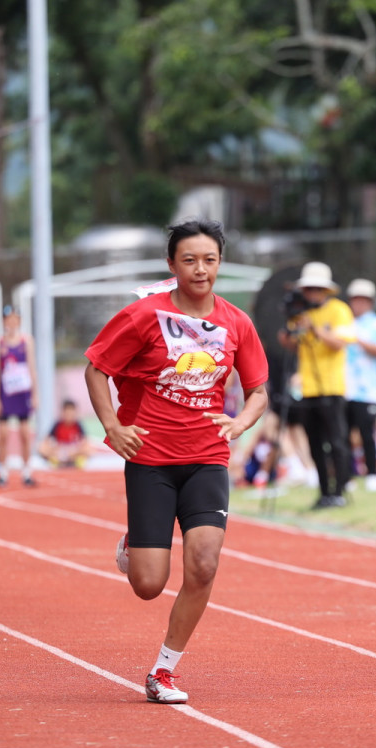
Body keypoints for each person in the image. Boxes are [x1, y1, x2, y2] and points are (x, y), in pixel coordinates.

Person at [84, 218, 268, 704]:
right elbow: (97, 368)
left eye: (209, 259)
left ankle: (164, 671)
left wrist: (241, 422)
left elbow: (258, 392)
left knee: (204, 565)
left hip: (207, 458)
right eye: (189, 260)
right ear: (172, 264)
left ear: (220, 263)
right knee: (148, 584)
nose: (200, 269)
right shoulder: (144, 316)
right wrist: (112, 427)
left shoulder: (236, 322)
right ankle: (133, 544)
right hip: (150, 458)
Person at [279, 261, 356, 509]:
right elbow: (293, 345)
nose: (311, 293)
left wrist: (315, 328)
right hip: (308, 387)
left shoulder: (339, 309)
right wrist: (288, 333)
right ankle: (324, 492)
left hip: (332, 386)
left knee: (337, 440)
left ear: (325, 290)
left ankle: (340, 490)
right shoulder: (299, 313)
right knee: (314, 442)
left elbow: (339, 343)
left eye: (316, 288)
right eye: (308, 288)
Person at [344, 279, 376, 491]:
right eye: (355, 300)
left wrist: (358, 340)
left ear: (370, 302)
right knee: (343, 435)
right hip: (344, 388)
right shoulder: (344, 322)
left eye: (363, 300)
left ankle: (372, 472)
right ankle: (347, 475)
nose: (359, 304)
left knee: (366, 433)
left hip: (368, 390)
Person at [0, 306, 38, 487]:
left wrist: (36, 394)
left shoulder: (26, 341)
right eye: (8, 320)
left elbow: (32, 368)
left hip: (23, 393)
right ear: (4, 322)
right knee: (3, 434)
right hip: (6, 393)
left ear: (19, 321)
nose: (12, 323)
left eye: (15, 319)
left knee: (25, 434)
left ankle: (26, 471)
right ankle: (2, 472)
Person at [39, 399, 92, 468]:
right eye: (67, 413)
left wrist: (76, 451)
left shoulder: (78, 425)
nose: (69, 416)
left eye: (71, 413)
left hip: (73, 451)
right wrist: (54, 449)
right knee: (41, 448)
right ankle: (57, 460)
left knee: (89, 449)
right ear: (63, 412)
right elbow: (46, 440)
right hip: (60, 451)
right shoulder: (57, 424)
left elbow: (85, 441)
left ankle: (74, 460)